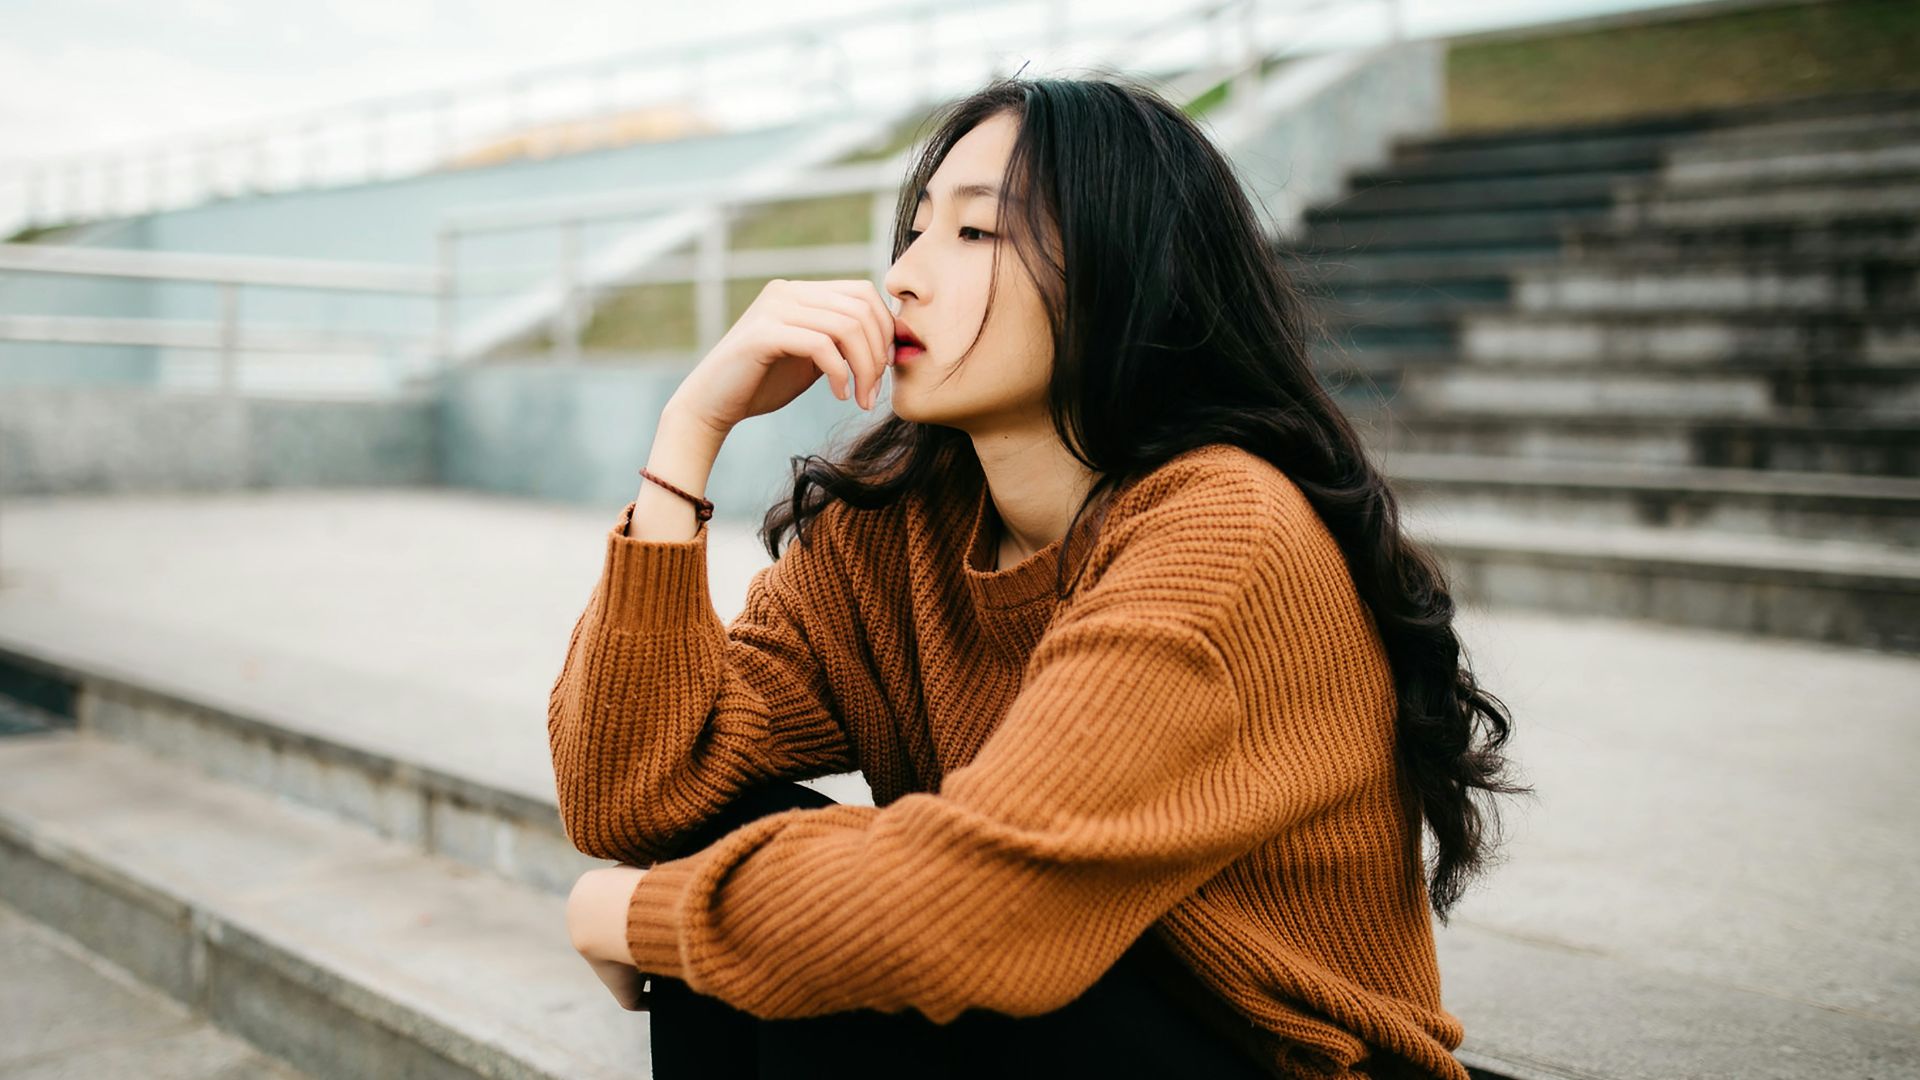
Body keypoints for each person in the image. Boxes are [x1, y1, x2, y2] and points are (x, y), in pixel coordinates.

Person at [550, 73, 1531, 1080]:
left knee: (845, 940)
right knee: (747, 858)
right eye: (916, 233)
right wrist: (689, 436)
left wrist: (631, 913)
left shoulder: (1223, 531)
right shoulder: (894, 527)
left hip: (1262, 1055)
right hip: (1050, 1018)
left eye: (976, 235)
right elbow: (633, 794)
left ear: (1122, 274)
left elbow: (979, 909)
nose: (907, 280)